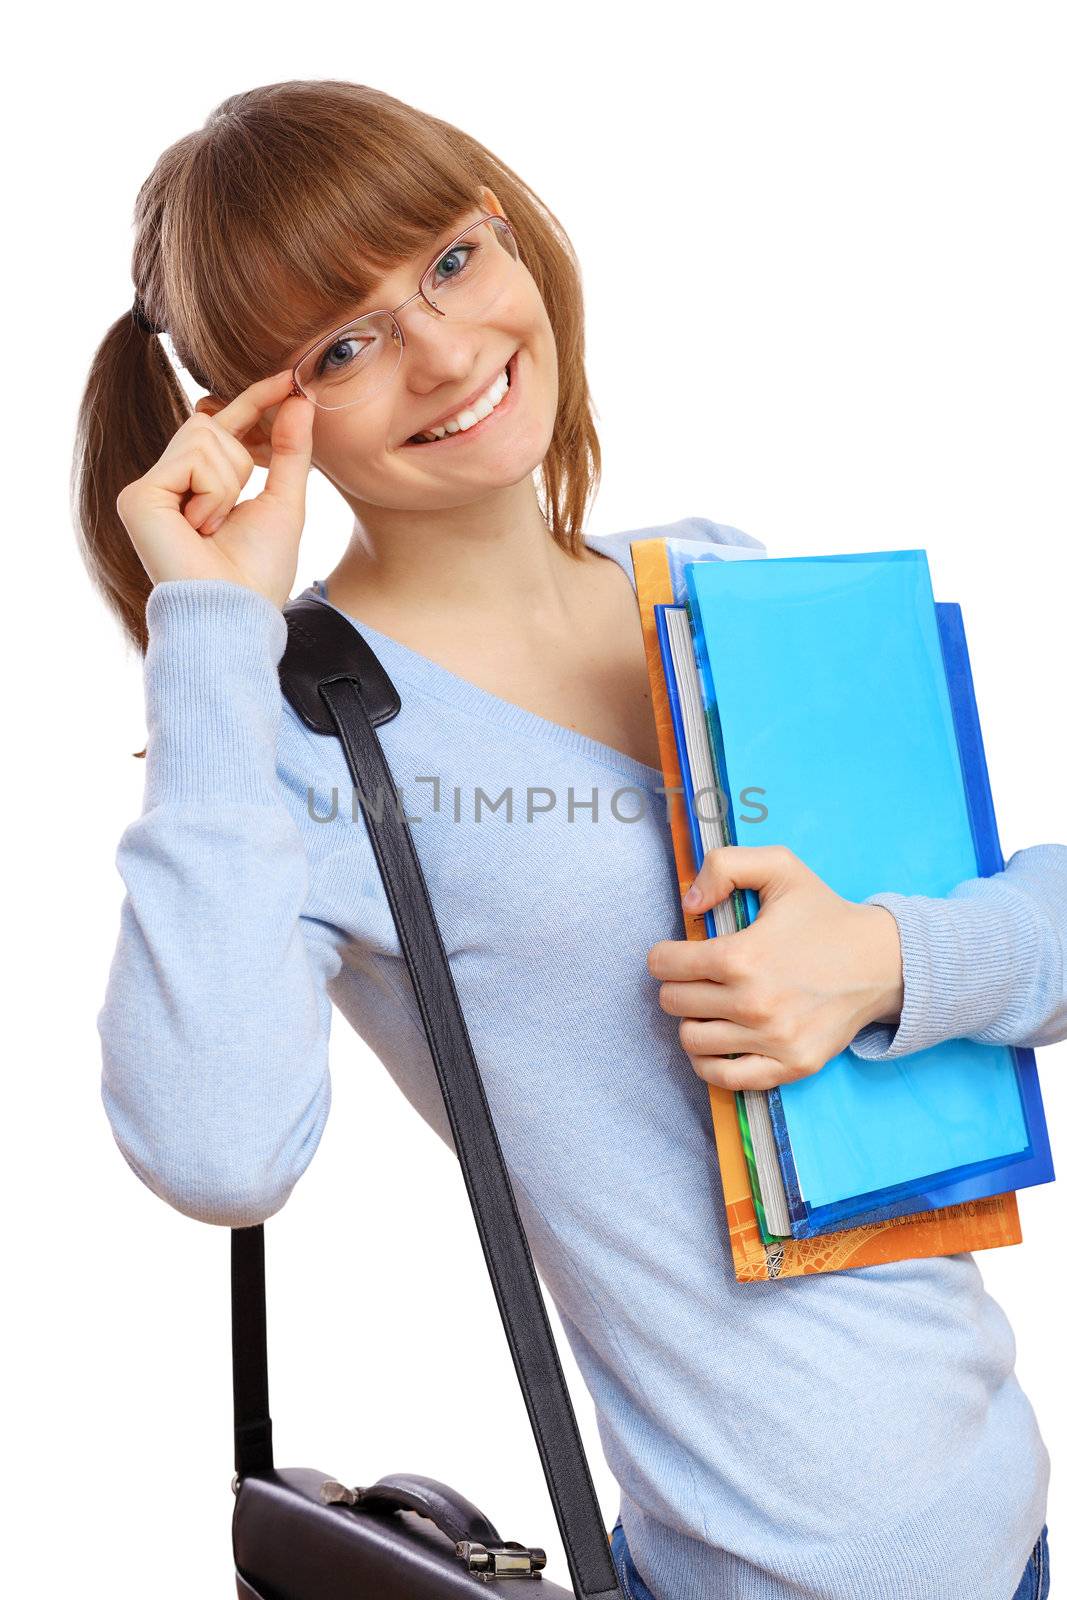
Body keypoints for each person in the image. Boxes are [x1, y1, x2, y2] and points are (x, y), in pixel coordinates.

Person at [73, 80, 1060, 1600]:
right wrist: (210, 628)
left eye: (451, 263)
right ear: (265, 415)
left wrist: (886, 959)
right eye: (345, 344)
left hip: (1006, 1525)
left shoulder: (723, 579)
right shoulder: (303, 729)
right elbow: (215, 1150)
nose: (447, 352)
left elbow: (1040, 936)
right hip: (766, 1572)